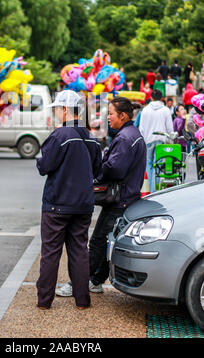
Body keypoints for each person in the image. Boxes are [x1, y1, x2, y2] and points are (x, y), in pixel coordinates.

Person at [56, 97, 146, 297]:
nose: (108, 119)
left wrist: (96, 169)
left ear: (123, 116)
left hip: (118, 199)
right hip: (127, 197)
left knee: (97, 242)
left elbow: (114, 168)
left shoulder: (124, 138)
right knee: (108, 241)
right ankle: (95, 280)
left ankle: (76, 283)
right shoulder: (133, 133)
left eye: (111, 114)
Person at [36, 90, 102, 310]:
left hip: (57, 204)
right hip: (83, 204)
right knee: (79, 252)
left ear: (65, 110)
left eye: (56, 109)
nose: (55, 113)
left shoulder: (60, 135)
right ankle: (83, 301)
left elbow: (44, 166)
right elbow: (97, 170)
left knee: (50, 253)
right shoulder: (91, 137)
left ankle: (44, 301)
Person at [139, 89, 174, 192]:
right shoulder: (165, 110)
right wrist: (171, 139)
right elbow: (170, 128)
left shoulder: (145, 110)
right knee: (158, 165)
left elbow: (141, 128)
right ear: (161, 98)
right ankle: (157, 189)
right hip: (160, 139)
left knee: (148, 164)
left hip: (148, 140)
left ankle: (151, 189)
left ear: (151, 98)